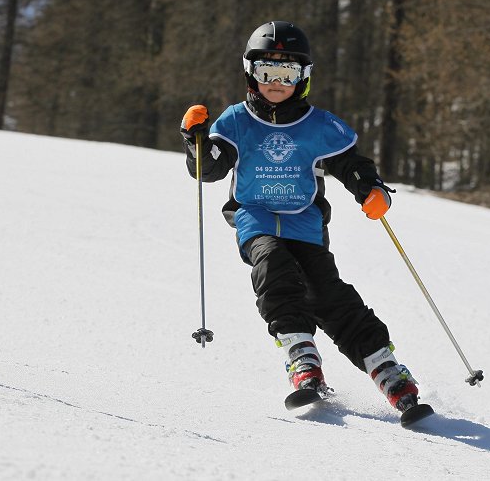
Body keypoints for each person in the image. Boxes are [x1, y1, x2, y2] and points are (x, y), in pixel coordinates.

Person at [180, 21, 423, 413]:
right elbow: (209, 169)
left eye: (287, 73)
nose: (276, 83)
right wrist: (196, 141)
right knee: (273, 266)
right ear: (250, 73)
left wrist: (371, 189)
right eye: (266, 72)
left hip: (306, 222)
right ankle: (302, 356)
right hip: (255, 217)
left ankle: (386, 368)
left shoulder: (318, 126)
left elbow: (350, 163)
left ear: (303, 77)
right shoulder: (236, 121)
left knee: (328, 293)